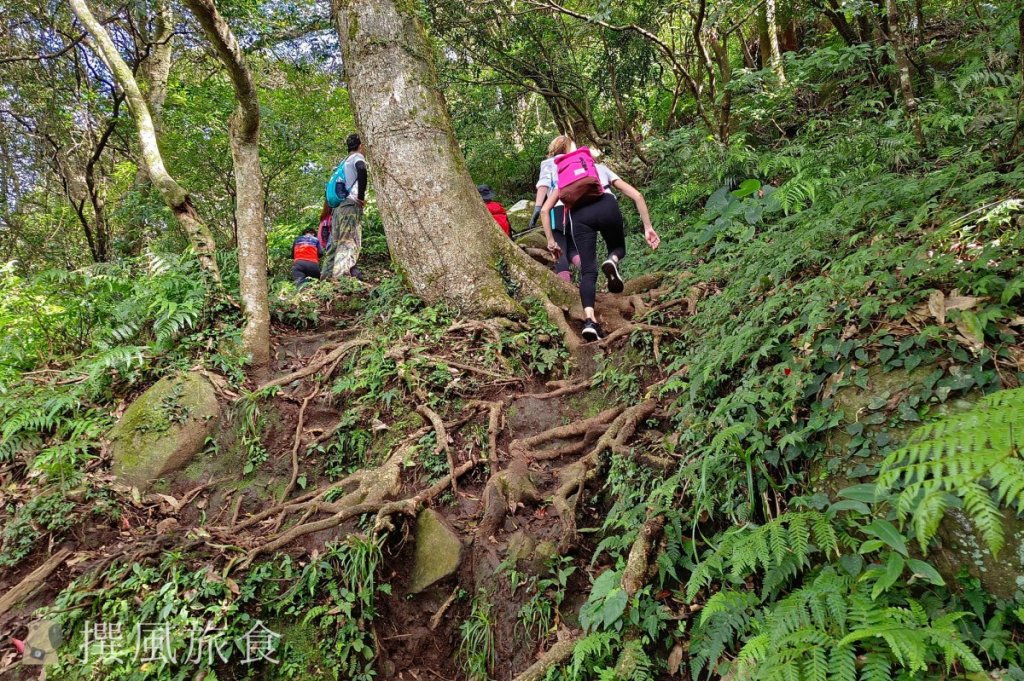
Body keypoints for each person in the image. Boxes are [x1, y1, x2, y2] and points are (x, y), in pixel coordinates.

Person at [540, 158, 660, 341]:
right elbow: (637, 195)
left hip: (579, 216)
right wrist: (648, 227)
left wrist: (550, 240)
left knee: (588, 271)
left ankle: (590, 321)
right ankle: (612, 259)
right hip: (606, 205)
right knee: (618, 247)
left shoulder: (564, 178)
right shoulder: (600, 169)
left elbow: (544, 210)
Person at [532, 135, 580, 283]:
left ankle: (566, 289)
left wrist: (537, 209)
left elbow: (544, 185)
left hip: (557, 209)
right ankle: (591, 275)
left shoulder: (548, 163)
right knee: (573, 248)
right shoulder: (575, 161)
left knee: (560, 249)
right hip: (577, 209)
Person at [321, 133, 368, 280]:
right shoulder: (357, 157)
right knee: (348, 240)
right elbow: (362, 169)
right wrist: (360, 197)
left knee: (335, 243)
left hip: (338, 208)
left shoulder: (344, 161)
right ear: (360, 145)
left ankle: (326, 278)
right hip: (350, 205)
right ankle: (341, 280)